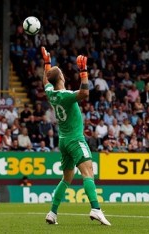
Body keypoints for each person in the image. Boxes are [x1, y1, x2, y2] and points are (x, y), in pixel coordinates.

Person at [42, 47, 111, 226]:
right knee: (88, 171)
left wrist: (47, 64)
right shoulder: (65, 95)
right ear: (62, 78)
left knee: (66, 178)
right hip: (75, 139)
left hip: (63, 140)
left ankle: (52, 213)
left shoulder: (51, 93)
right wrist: (83, 72)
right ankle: (96, 209)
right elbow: (85, 93)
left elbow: (46, 81)